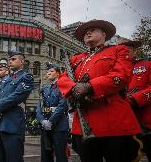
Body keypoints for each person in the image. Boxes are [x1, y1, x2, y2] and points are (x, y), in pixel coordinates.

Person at [57, 19, 141, 162]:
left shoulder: (118, 50)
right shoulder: (76, 59)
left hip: (113, 122)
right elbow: (62, 79)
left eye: (93, 29)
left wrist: (89, 86)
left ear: (104, 34)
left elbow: (121, 75)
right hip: (83, 122)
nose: (87, 32)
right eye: (85, 32)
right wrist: (74, 88)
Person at [0, 51, 34, 162]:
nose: (10, 61)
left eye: (13, 59)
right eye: (9, 59)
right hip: (0, 125)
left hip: (13, 126)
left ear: (22, 62)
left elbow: (16, 97)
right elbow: (0, 97)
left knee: (13, 159)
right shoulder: (7, 80)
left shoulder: (26, 77)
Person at [120, 38, 151, 162]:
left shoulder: (148, 65)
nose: (123, 53)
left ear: (134, 52)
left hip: (148, 123)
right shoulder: (113, 71)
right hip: (123, 126)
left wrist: (135, 99)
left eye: (126, 50)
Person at [36, 62, 69, 162]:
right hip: (45, 126)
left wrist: (51, 121)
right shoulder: (45, 89)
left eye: (51, 71)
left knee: (60, 156)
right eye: (47, 72)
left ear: (58, 73)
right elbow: (39, 108)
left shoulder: (63, 86)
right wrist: (42, 121)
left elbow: (62, 105)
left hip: (59, 126)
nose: (48, 73)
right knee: (45, 156)